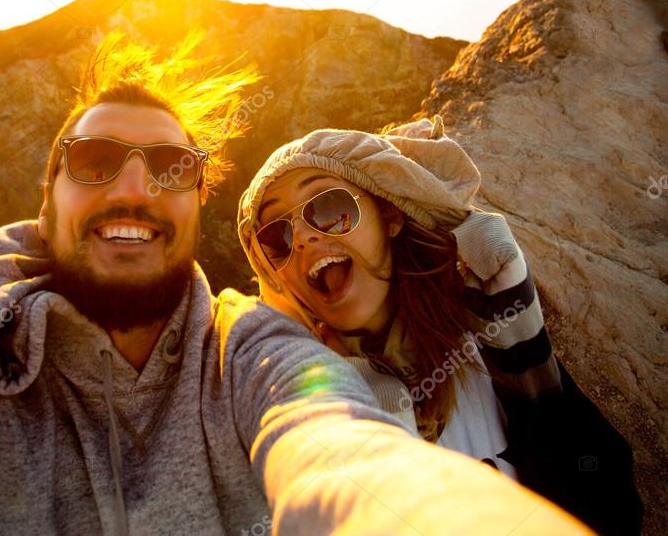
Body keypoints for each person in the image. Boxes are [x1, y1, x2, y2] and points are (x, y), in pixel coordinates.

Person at [0, 34, 587, 535]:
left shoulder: (251, 351)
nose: (135, 186)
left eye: (170, 169)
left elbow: (338, 451)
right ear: (46, 194)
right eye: (94, 159)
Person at [235, 117, 643, 535]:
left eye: (328, 209)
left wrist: (524, 342)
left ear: (390, 217)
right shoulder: (308, 413)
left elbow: (611, 505)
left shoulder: (487, 344)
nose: (300, 237)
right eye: (276, 237)